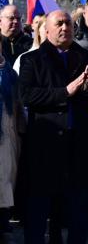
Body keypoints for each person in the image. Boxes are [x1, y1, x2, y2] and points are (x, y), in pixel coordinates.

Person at [19, 10, 88, 244]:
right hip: (45, 145)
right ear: (46, 30)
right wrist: (65, 92)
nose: (64, 28)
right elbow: (27, 96)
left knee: (78, 209)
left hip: (78, 145)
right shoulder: (32, 59)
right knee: (39, 208)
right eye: (58, 24)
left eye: (68, 23)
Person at [0, 40, 22, 244]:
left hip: (7, 135)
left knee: (6, 182)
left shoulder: (8, 72)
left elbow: (18, 104)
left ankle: (3, 225)